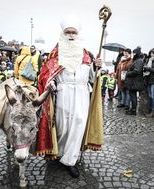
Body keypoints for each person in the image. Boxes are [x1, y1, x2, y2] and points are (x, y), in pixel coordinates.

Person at [35, 15, 103, 178]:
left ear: (78, 34)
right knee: (62, 125)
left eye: (73, 32)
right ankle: (58, 152)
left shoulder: (87, 55)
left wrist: (97, 67)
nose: (71, 35)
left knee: (79, 124)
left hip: (81, 94)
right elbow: (45, 75)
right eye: (68, 32)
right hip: (63, 93)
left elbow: (92, 78)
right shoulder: (55, 55)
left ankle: (70, 160)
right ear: (63, 34)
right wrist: (50, 82)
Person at [125, 47, 145, 115]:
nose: (133, 54)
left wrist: (128, 73)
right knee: (132, 96)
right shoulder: (138, 60)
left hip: (135, 82)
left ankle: (133, 110)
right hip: (134, 81)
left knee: (133, 96)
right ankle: (132, 109)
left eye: (134, 53)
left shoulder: (139, 61)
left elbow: (137, 71)